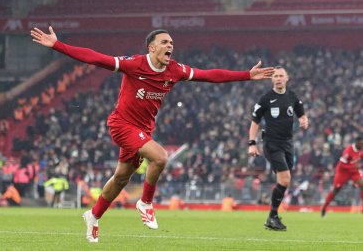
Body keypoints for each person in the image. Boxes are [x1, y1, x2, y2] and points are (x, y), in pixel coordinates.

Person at [31, 26, 274, 243]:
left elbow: (209, 75)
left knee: (121, 179)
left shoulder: (175, 70)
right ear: (152, 47)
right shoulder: (134, 64)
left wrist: (246, 75)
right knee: (160, 157)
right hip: (121, 124)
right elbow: (96, 58)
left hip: (143, 129)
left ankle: (93, 216)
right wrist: (58, 45)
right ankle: (145, 202)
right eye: (165, 42)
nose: (170, 46)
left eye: (171, 43)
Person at [248, 66, 309, 231]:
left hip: (288, 143)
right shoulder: (265, 99)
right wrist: (252, 143)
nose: (278, 78)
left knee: (285, 180)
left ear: (287, 78)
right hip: (272, 143)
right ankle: (272, 217)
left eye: (281, 76)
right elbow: (255, 122)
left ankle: (272, 217)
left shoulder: (292, 96)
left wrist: (303, 118)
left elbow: (300, 110)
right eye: (275, 76)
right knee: (284, 179)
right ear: (272, 79)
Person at [321, 136, 363, 217]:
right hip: (342, 171)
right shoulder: (348, 151)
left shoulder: (360, 149)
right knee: (336, 190)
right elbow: (342, 165)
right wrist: (353, 166)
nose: (362, 145)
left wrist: (358, 165)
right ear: (357, 143)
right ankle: (324, 207)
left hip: (353, 171)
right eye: (361, 144)